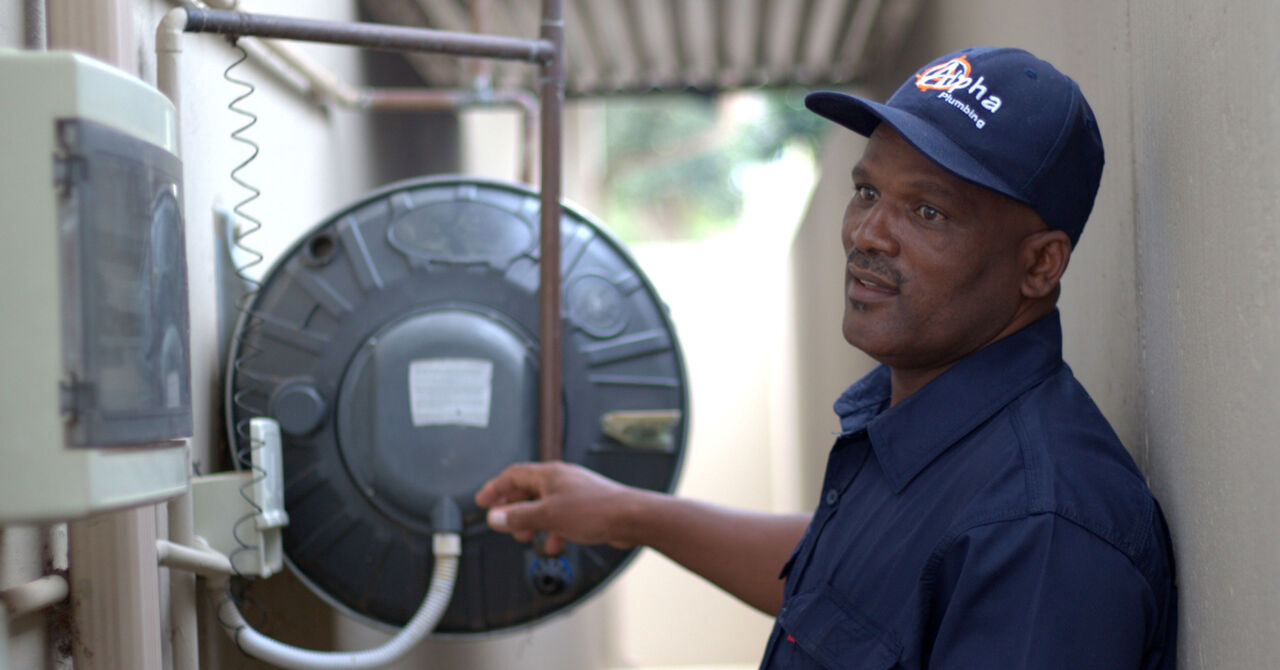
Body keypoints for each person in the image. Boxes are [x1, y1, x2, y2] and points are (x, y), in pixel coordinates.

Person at [475, 47, 1177, 669]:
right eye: (868, 192)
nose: (869, 233)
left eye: (926, 212)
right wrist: (629, 514)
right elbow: (844, 592)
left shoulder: (1041, 536)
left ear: (1039, 265)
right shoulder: (925, 425)